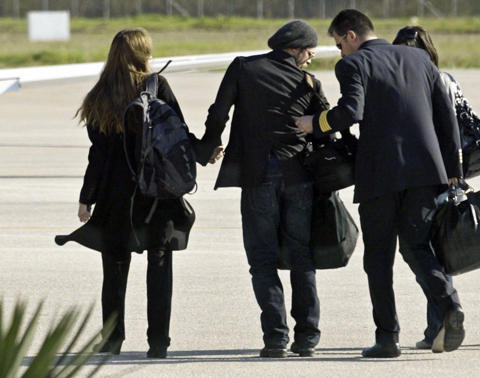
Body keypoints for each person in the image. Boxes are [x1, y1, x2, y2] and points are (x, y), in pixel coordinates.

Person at [296, 10, 465, 358]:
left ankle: (387, 338)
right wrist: (451, 168)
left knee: (378, 259)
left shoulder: (353, 64)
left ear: (351, 35)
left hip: (381, 174)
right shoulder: (419, 57)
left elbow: (350, 111)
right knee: (417, 247)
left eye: (339, 43)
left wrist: (317, 122)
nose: (340, 52)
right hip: (426, 173)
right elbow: (445, 114)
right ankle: (450, 307)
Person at [55, 28, 197, 358]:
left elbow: (98, 153)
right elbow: (179, 136)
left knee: (114, 268)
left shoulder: (98, 95)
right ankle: (158, 343)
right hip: (155, 193)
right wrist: (205, 154)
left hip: (113, 195)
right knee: (160, 266)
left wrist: (86, 196)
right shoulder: (156, 85)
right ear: (141, 54)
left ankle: (112, 339)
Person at [196, 20, 327, 358]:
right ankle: (308, 337)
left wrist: (208, 148)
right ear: (296, 47)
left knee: (262, 258)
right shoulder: (309, 82)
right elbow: (325, 126)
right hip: (298, 175)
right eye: (309, 50)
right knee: (301, 254)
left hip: (257, 176)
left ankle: (275, 339)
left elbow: (218, 113)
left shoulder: (244, 67)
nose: (311, 57)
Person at [392, 25, 458, 352]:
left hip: (434, 176)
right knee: (434, 253)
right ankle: (439, 326)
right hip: (442, 174)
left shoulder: (428, 79)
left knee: (420, 249)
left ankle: (442, 321)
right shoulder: (439, 76)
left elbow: (450, 126)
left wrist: (453, 171)